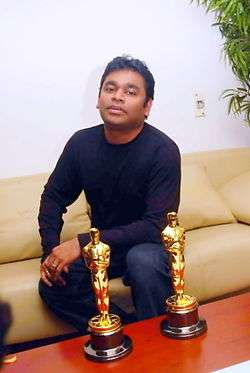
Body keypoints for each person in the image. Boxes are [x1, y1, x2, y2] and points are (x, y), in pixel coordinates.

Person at [38, 55, 181, 333]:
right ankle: (128, 331)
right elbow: (54, 197)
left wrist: (79, 243)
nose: (117, 97)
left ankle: (160, 341)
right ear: (98, 97)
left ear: (147, 106)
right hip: (104, 248)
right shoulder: (81, 144)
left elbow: (155, 226)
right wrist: (51, 251)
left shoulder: (162, 150)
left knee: (142, 261)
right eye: (110, 88)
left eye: (130, 92)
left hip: (148, 245)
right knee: (53, 286)